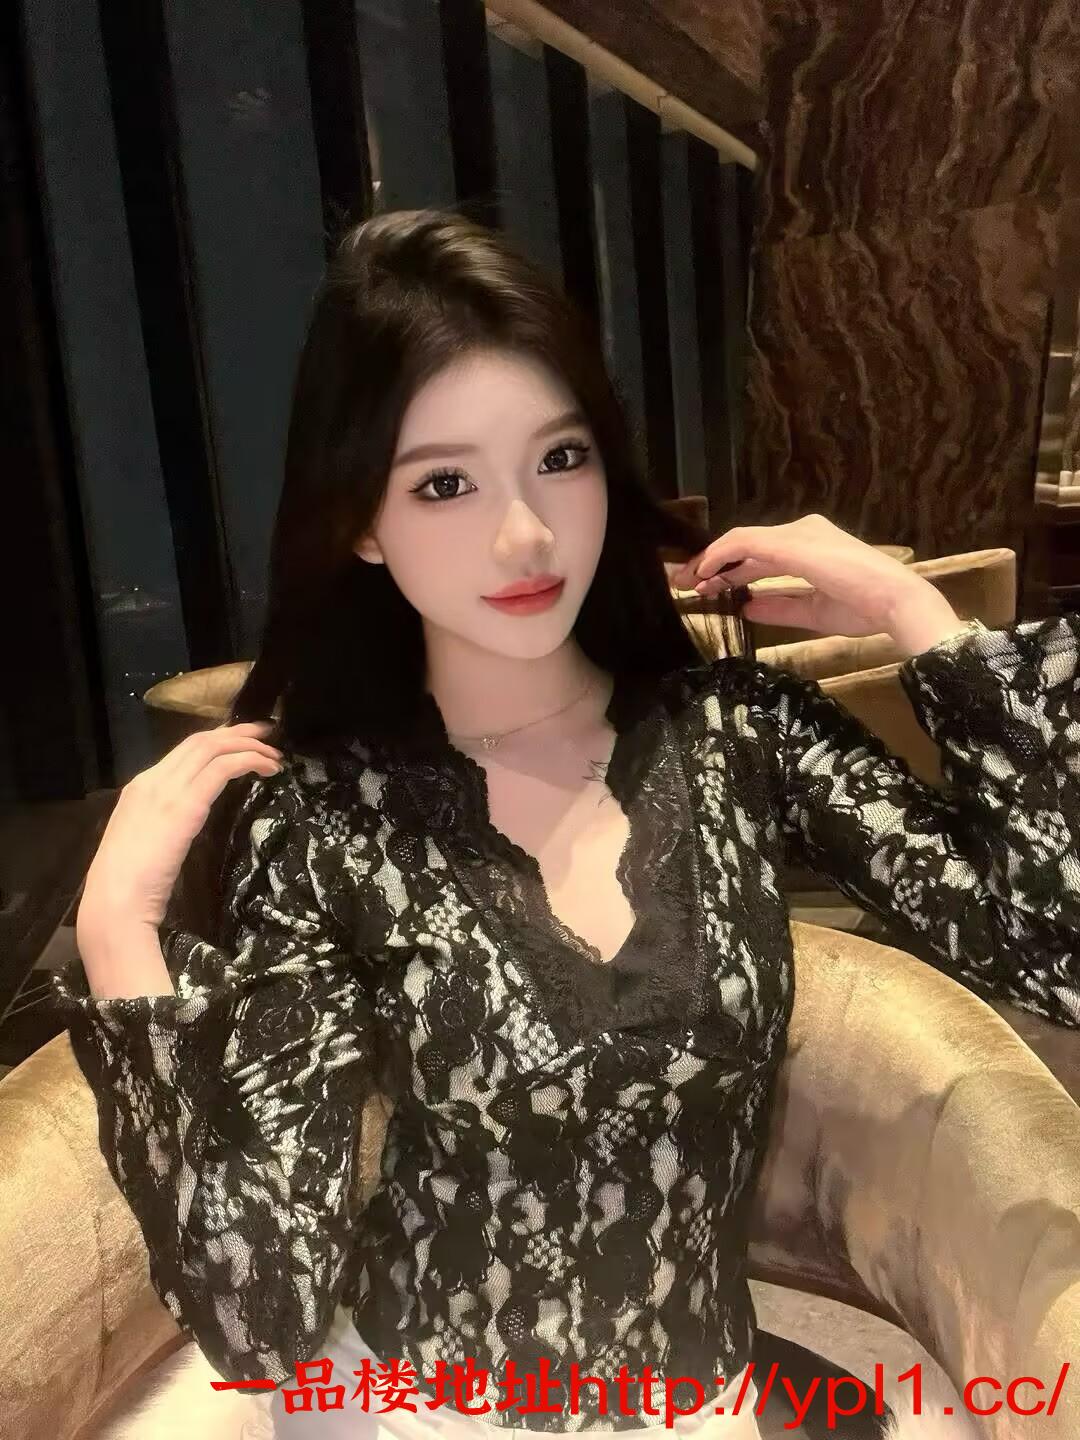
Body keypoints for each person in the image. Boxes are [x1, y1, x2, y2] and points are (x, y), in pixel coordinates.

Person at [52, 208, 1080, 1440]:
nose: (527, 533)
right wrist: (119, 937)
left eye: (561, 457)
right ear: (360, 522)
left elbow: (1057, 955)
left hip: (698, 1407)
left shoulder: (735, 734)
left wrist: (923, 621)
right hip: (417, 1416)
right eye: (445, 483)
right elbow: (261, 1315)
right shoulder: (329, 819)